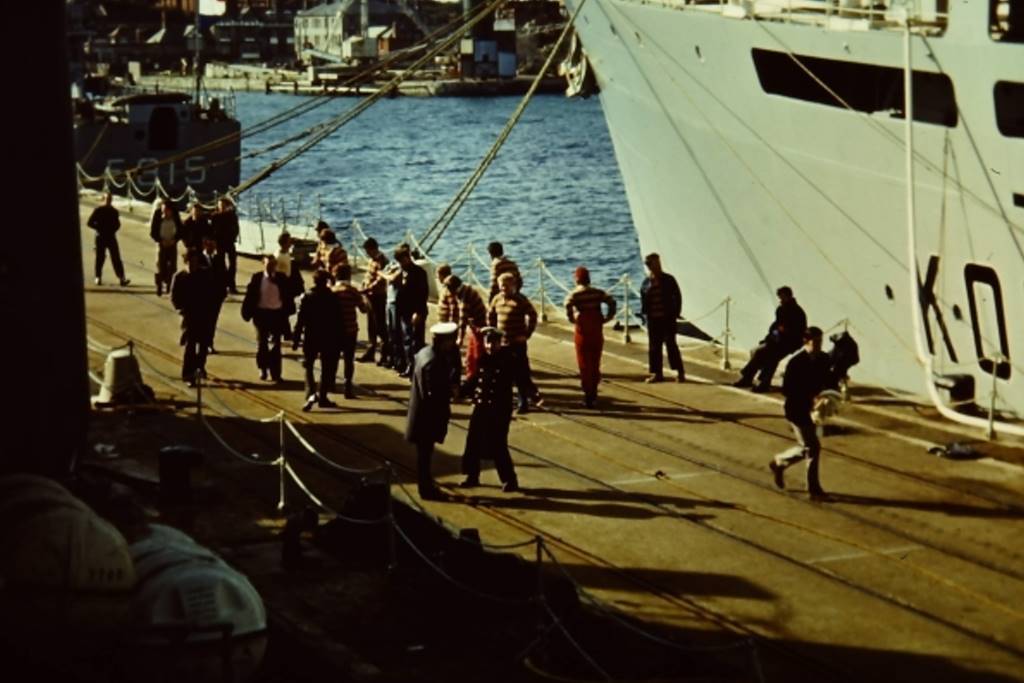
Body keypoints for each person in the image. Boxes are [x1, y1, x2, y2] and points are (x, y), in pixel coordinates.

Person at [769, 326, 832, 501]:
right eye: (815, 341)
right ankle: (814, 489)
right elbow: (787, 389)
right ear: (806, 342)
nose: (819, 345)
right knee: (812, 447)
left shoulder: (824, 359)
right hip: (797, 410)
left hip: (813, 410)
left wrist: (825, 395)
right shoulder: (796, 362)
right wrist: (810, 396)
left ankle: (780, 462)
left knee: (808, 446)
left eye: (820, 341)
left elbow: (828, 380)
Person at [459, 327, 519, 492]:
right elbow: (475, 379)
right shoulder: (483, 359)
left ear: (500, 343)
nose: (490, 346)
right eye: (488, 343)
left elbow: (521, 376)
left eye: (494, 343)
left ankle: (509, 479)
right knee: (473, 442)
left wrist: (533, 394)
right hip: (481, 407)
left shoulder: (507, 360)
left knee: (498, 444)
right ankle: (472, 476)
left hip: (499, 410)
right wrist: (461, 391)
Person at [405, 322, 459, 501]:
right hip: (427, 417)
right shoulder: (434, 362)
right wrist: (451, 392)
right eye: (451, 340)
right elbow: (433, 393)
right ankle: (426, 489)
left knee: (424, 454)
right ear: (444, 341)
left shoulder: (424, 353)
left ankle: (426, 484)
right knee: (425, 455)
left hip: (420, 413)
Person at [734, 286, 807, 393]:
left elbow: (795, 331)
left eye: (782, 297)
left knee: (772, 358)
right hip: (778, 341)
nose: (781, 299)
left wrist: (779, 333)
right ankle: (748, 378)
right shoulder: (782, 309)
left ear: (788, 296)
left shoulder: (796, 312)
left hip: (790, 342)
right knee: (760, 354)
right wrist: (771, 338)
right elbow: (776, 326)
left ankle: (763, 382)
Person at [488, 271, 543, 414]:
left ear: (513, 285)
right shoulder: (496, 299)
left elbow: (533, 315)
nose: (503, 288)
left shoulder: (520, 300)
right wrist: (492, 334)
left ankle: (523, 402)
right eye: (501, 286)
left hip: (517, 343)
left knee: (521, 373)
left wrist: (527, 334)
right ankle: (506, 400)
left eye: (506, 286)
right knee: (504, 374)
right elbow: (491, 316)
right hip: (502, 343)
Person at [293, 269, 345, 411]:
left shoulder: (307, 296)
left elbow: (301, 319)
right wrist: (341, 339)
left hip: (311, 336)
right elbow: (339, 320)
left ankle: (310, 393)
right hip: (329, 337)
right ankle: (323, 396)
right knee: (327, 368)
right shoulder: (332, 297)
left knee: (308, 366)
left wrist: (296, 338)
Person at [565, 267, 617, 408]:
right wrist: (608, 317)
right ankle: (594, 391)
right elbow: (611, 301)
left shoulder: (574, 294)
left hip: (582, 332)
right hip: (596, 331)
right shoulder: (597, 293)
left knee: (584, 364)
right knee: (595, 362)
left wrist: (572, 318)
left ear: (577, 279)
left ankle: (588, 395)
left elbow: (567, 304)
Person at [241, 254, 293, 382]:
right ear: (263, 264)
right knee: (262, 344)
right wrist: (247, 312)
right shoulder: (257, 278)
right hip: (261, 314)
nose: (271, 267)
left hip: (277, 315)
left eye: (273, 264)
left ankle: (276, 373)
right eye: (268, 264)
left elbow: (288, 295)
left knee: (276, 345)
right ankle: (263, 368)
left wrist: (288, 310)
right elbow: (250, 295)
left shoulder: (281, 278)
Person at [170, 249, 217, 387]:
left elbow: (211, 292)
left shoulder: (204, 274)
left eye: (195, 262)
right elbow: (174, 297)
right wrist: (181, 310)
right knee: (190, 346)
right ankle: (188, 375)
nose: (193, 265)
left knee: (203, 345)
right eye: (190, 262)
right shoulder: (179, 277)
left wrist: (210, 310)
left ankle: (200, 367)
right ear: (185, 262)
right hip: (189, 316)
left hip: (203, 314)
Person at [639, 253, 684, 383]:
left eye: (656, 263)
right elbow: (643, 299)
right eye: (651, 263)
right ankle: (657, 373)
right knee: (654, 347)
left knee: (671, 345)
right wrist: (645, 315)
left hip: (667, 318)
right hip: (653, 319)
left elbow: (677, 296)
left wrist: (676, 313)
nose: (655, 266)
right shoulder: (646, 282)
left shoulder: (669, 279)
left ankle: (680, 371)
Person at [331, 263, 367, 399]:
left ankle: (331, 383)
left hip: (334, 330)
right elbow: (364, 309)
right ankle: (348, 387)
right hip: (350, 329)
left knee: (333, 358)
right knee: (348, 359)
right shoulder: (352, 291)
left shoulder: (332, 291)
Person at [445, 274, 488, 381]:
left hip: (478, 326)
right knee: (471, 354)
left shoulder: (464, 295)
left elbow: (462, 318)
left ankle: (476, 377)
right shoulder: (464, 289)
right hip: (473, 325)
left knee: (477, 354)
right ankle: (472, 375)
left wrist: (459, 338)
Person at [395, 245, 428, 378]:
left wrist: (418, 312)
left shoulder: (419, 273)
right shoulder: (401, 272)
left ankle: (418, 367)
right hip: (404, 311)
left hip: (416, 311)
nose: (401, 264)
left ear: (408, 258)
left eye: (402, 261)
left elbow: (423, 294)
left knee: (417, 341)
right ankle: (410, 364)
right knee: (407, 340)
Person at [86, 192, 130, 287]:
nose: (108, 201)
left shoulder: (114, 211)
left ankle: (122, 278)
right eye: (107, 199)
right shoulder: (98, 210)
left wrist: (113, 229)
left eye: (110, 199)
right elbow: (89, 223)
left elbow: (118, 224)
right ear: (103, 199)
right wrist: (98, 228)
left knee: (116, 258)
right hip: (100, 236)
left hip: (111, 236)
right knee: (100, 258)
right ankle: (98, 277)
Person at [359, 245, 390, 365]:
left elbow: (380, 278)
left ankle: (385, 353)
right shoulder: (371, 260)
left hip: (378, 296)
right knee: (371, 325)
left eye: (368, 251)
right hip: (369, 296)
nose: (367, 254)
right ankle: (371, 351)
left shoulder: (382, 260)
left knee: (380, 325)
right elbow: (368, 275)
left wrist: (369, 288)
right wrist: (363, 285)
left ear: (374, 249)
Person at [201, 237, 228, 354]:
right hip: (203, 297)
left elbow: (224, 276)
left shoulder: (219, 259)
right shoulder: (199, 259)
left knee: (212, 321)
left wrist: (223, 292)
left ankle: (209, 343)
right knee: (203, 321)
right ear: (205, 245)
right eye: (211, 245)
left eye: (214, 245)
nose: (213, 248)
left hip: (216, 296)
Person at [150, 201, 182, 297]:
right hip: (161, 244)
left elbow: (180, 230)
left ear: (171, 211)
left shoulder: (175, 216)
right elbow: (153, 232)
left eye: (166, 211)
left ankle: (170, 285)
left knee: (173, 267)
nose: (164, 213)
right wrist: (160, 240)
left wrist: (175, 240)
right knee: (160, 266)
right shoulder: (157, 215)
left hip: (172, 244)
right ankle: (159, 285)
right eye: (163, 210)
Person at [210, 196, 240, 294]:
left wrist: (233, 236)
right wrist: (213, 241)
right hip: (219, 243)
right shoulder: (215, 216)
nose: (222, 207)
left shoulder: (232, 216)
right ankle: (224, 284)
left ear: (227, 206)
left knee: (233, 264)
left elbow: (236, 228)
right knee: (221, 265)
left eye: (223, 205)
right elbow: (212, 230)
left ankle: (231, 284)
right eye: (220, 205)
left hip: (229, 241)